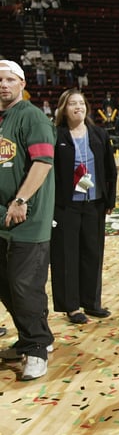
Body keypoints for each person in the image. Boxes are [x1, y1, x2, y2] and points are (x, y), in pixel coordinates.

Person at [0, 60, 56, 381]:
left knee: (25, 284)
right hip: (1, 217)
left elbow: (43, 162)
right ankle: (28, 337)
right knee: (5, 284)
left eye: (10, 79)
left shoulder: (32, 116)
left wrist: (21, 199)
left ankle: (37, 347)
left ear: (22, 84)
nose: (3, 84)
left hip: (27, 218)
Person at [50, 89, 117, 324]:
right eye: (72, 104)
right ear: (63, 109)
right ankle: (71, 307)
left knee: (92, 253)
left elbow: (110, 169)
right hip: (66, 206)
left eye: (81, 103)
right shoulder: (56, 136)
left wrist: (110, 199)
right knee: (67, 256)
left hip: (94, 204)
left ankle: (91, 302)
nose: (78, 107)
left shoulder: (98, 134)